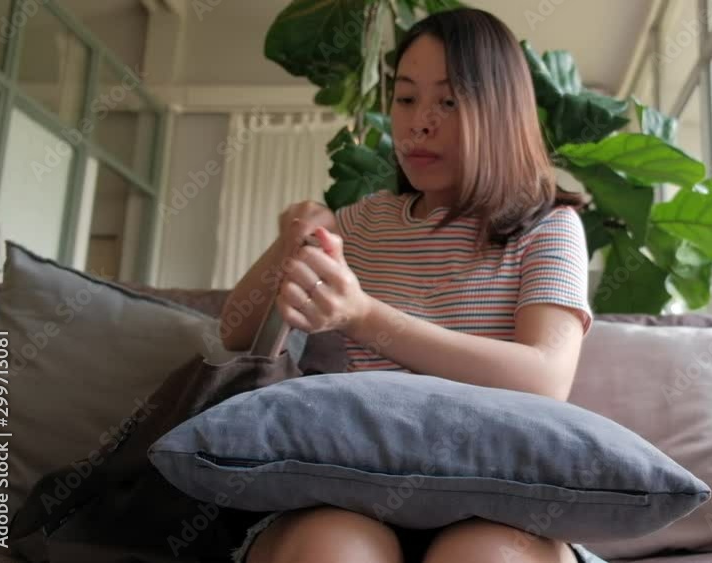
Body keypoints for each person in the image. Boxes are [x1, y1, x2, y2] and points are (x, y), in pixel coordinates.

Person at [220, 8, 603, 563]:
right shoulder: (362, 224)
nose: (419, 123)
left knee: (483, 556)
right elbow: (235, 336)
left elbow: (544, 378)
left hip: (499, 497)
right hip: (361, 487)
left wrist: (363, 317)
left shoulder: (549, 225)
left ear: (500, 112)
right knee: (332, 548)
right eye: (405, 98)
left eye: (448, 102)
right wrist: (289, 243)